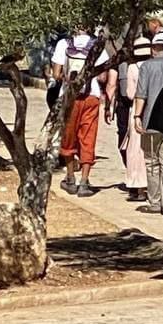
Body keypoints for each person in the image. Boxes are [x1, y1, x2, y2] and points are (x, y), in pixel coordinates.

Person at [52, 26, 109, 198]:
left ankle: (70, 178)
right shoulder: (97, 45)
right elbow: (103, 77)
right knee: (88, 137)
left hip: (70, 96)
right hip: (91, 96)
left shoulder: (64, 43)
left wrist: (68, 78)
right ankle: (84, 181)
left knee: (68, 136)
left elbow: (56, 74)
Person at [133, 31, 163, 216]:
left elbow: (141, 94)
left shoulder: (146, 66)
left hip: (151, 120)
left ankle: (154, 201)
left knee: (152, 163)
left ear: (154, 49)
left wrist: (137, 116)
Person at [116, 36, 151, 202]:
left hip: (136, 109)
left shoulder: (132, 68)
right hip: (152, 110)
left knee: (135, 150)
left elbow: (129, 94)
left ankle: (138, 187)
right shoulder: (152, 66)